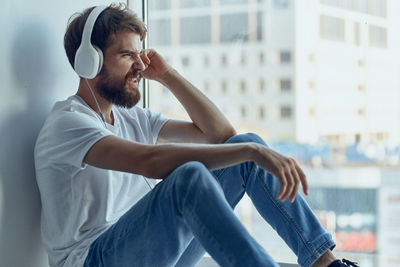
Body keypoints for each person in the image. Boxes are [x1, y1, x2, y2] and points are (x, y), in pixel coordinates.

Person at [34, 4, 358, 267]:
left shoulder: (132, 118)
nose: (139, 66)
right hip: (95, 260)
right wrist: (248, 151)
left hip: (152, 255)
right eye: (126, 55)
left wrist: (168, 75)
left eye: (140, 54)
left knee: (246, 148)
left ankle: (325, 263)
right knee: (190, 177)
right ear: (88, 61)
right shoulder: (68, 123)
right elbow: (150, 162)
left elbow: (221, 134)